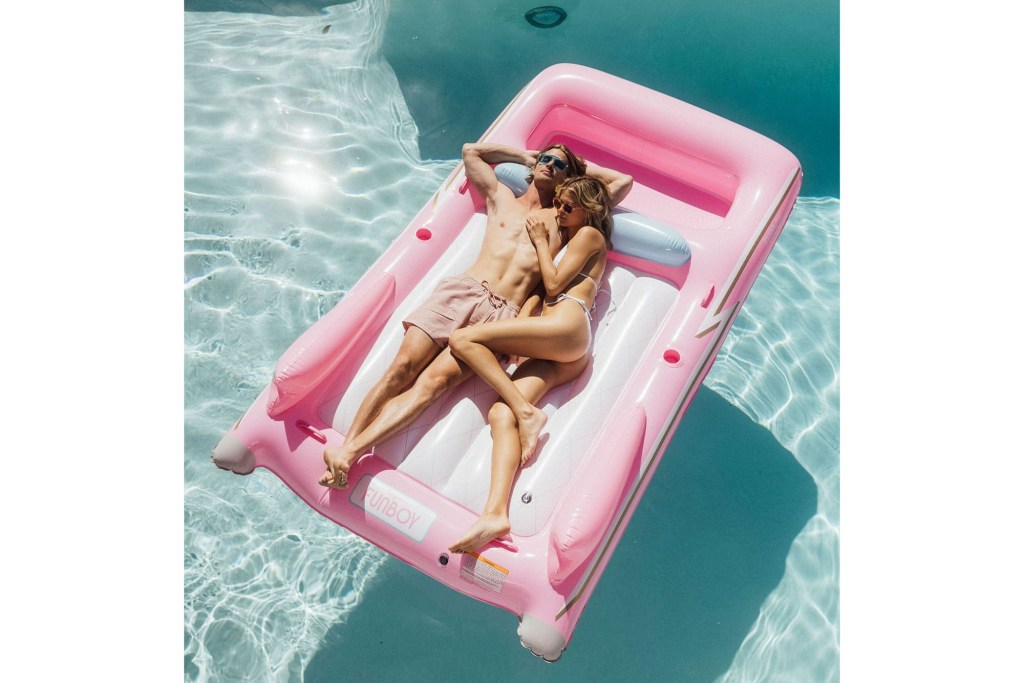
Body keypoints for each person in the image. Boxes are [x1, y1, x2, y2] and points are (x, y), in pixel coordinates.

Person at [320, 143, 632, 490]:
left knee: (433, 385)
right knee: (400, 370)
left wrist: (575, 169)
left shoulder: (563, 220)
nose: (550, 165)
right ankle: (344, 449)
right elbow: (471, 153)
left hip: (501, 314)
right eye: (546, 159)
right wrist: (525, 157)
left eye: (559, 165)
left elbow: (621, 183)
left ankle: (349, 454)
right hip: (461, 293)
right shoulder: (501, 197)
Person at [446, 175, 613, 554]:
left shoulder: (590, 235)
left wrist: (539, 241)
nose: (561, 210)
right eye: (559, 203)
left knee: (464, 338)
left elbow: (554, 285)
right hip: (563, 348)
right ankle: (495, 514)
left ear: (591, 208)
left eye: (569, 204)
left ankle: (528, 413)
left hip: (566, 324)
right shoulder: (574, 240)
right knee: (501, 414)